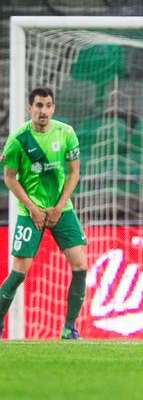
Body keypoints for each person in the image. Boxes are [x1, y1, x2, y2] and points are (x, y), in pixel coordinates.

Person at [0, 86, 87, 339]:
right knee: (18, 273)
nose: (43, 111)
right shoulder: (19, 139)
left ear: (54, 108)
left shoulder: (66, 133)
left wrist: (59, 206)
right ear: (30, 108)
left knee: (80, 264)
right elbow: (9, 178)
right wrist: (33, 209)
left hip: (61, 208)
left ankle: (69, 328)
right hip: (30, 212)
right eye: (38, 105)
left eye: (48, 105)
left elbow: (73, 173)